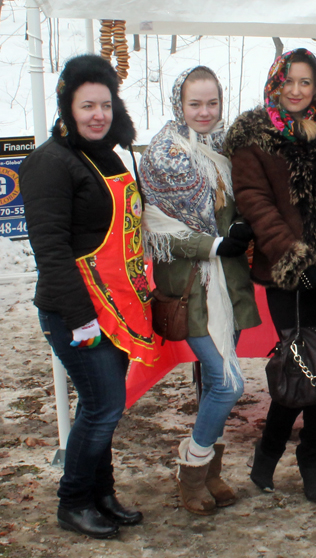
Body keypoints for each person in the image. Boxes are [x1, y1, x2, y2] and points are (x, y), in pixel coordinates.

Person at [19, 54, 158, 539]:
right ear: (67, 107)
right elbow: (51, 251)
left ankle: (101, 493)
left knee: (105, 404)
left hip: (117, 306)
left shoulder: (107, 155)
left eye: (104, 104)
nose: (97, 114)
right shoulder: (48, 162)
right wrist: (80, 319)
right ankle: (73, 500)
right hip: (75, 310)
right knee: (103, 405)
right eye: (87, 105)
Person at [224, 48, 316, 503]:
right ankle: (268, 454)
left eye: (305, 82)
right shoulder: (252, 135)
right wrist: (294, 257)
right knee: (298, 363)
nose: (295, 89)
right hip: (286, 273)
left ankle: (312, 459)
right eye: (288, 80)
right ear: (274, 81)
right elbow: (255, 202)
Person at [139, 66, 261, 516]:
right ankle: (190, 465)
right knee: (228, 383)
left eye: (212, 102)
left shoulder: (224, 150)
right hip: (191, 288)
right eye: (195, 103)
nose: (205, 112)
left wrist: (242, 223)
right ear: (179, 104)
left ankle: (208, 473)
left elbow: (232, 208)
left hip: (229, 287)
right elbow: (157, 224)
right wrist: (213, 242)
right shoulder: (163, 155)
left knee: (215, 382)